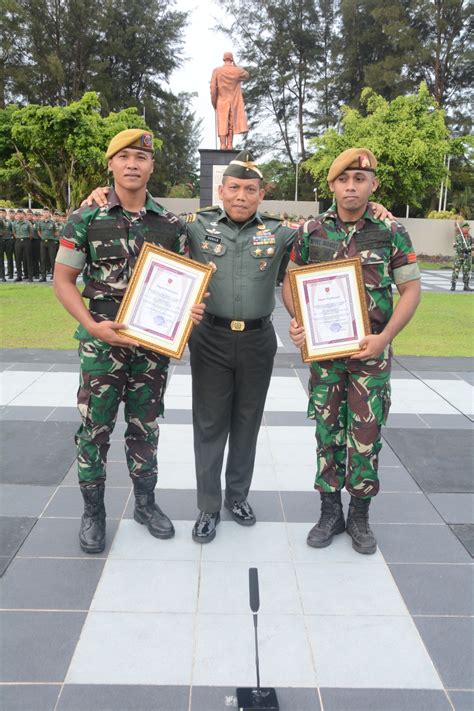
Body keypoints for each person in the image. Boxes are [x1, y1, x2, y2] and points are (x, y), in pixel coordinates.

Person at [86, 150, 393, 545]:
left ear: (261, 193)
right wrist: (100, 193)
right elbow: (138, 209)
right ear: (222, 189)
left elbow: (334, 228)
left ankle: (237, 497)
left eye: (251, 189)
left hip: (257, 340)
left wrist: (376, 208)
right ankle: (208, 507)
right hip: (210, 339)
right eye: (234, 188)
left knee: (247, 424)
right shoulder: (192, 226)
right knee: (210, 424)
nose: (242, 196)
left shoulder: (284, 231)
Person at [53, 129, 206, 554]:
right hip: (102, 344)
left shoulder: (171, 225)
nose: (133, 164)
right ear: (112, 165)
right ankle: (93, 513)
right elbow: (63, 280)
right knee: (94, 429)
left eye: (141, 156)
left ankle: (145, 504)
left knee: (145, 427)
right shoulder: (85, 218)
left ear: (152, 165)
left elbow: (187, 284)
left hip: (152, 349)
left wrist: (189, 310)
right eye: (124, 157)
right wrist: (91, 324)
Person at [282, 147, 421, 555]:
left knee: (365, 436)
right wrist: (300, 322)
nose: (351, 187)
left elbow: (411, 290)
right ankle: (330, 513)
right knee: (328, 435)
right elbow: (291, 283)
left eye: (360, 180)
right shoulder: (311, 232)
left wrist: (385, 338)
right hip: (326, 358)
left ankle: (359, 516)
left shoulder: (390, 230)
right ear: (332, 185)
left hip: (370, 354)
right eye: (343, 180)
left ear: (372, 184)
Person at [210, 52, 249, 150]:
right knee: (231, 123)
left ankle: (222, 144)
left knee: (222, 122)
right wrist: (235, 65)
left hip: (221, 101)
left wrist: (214, 102)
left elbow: (213, 88)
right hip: (234, 101)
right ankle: (230, 145)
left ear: (223, 59)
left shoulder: (217, 71)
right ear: (232, 59)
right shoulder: (237, 71)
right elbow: (246, 75)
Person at [12, 209, 33, 282]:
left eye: (21, 214)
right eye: (18, 214)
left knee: (28, 258)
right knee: (18, 259)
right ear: (16, 215)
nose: (19, 215)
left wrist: (25, 238)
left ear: (24, 215)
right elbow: (14, 233)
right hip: (18, 241)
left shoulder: (28, 223)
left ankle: (30, 276)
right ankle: (19, 276)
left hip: (26, 240)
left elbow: (31, 233)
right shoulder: (14, 223)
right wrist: (19, 238)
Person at [451, 221, 472, 291]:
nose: (466, 229)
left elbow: (473, 246)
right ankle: (453, 285)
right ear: (462, 229)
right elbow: (456, 246)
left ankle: (466, 286)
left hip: (467, 257)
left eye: (467, 228)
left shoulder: (470, 237)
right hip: (459, 256)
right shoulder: (458, 237)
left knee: (466, 271)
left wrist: (468, 249)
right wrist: (463, 249)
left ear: (469, 229)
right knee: (456, 271)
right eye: (465, 228)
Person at [38, 208, 59, 281]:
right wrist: (43, 237)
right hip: (43, 242)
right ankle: (43, 276)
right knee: (43, 259)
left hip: (51, 242)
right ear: (42, 213)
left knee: (52, 259)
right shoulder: (40, 222)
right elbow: (39, 231)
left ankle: (54, 275)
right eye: (44, 212)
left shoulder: (53, 223)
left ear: (49, 213)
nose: (45, 214)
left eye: (47, 212)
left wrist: (51, 237)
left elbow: (56, 232)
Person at [0, 208, 14, 281]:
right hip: (1, 241)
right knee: (1, 259)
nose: (2, 214)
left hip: (8, 241)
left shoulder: (9, 222)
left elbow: (12, 230)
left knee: (10, 258)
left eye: (3, 213)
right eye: (0, 213)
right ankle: (2, 276)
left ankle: (10, 274)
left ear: (6, 214)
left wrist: (10, 236)